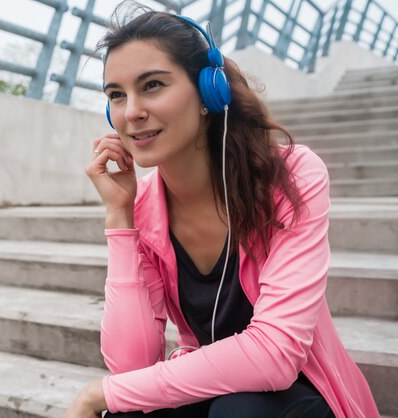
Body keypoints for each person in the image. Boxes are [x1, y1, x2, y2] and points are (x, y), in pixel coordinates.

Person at [63, 2, 379, 417]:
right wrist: (121, 219)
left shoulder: (292, 176)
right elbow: (130, 365)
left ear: (210, 92)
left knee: (241, 411)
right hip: (213, 387)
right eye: (117, 95)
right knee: (130, 409)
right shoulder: (142, 206)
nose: (132, 112)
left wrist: (95, 395)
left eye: (153, 85)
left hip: (298, 393)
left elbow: (276, 354)